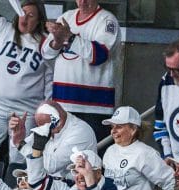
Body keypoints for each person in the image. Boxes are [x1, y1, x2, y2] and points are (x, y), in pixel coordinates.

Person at [0, 0, 50, 159]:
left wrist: (46, 114)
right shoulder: (5, 30)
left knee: (20, 161)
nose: (24, 18)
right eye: (22, 13)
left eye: (31, 15)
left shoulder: (46, 43)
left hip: (26, 112)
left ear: (39, 20)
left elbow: (50, 82)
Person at [41, 0, 120, 138]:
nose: (82, 2)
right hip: (62, 103)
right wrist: (57, 41)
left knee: (92, 150)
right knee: (61, 150)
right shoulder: (66, 17)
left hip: (94, 107)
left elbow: (99, 55)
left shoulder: (107, 20)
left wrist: (69, 37)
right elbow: (46, 53)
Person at [101, 105, 175, 190]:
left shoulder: (145, 153)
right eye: (112, 127)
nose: (113, 131)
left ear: (133, 129)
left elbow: (170, 181)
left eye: (119, 127)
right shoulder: (110, 151)